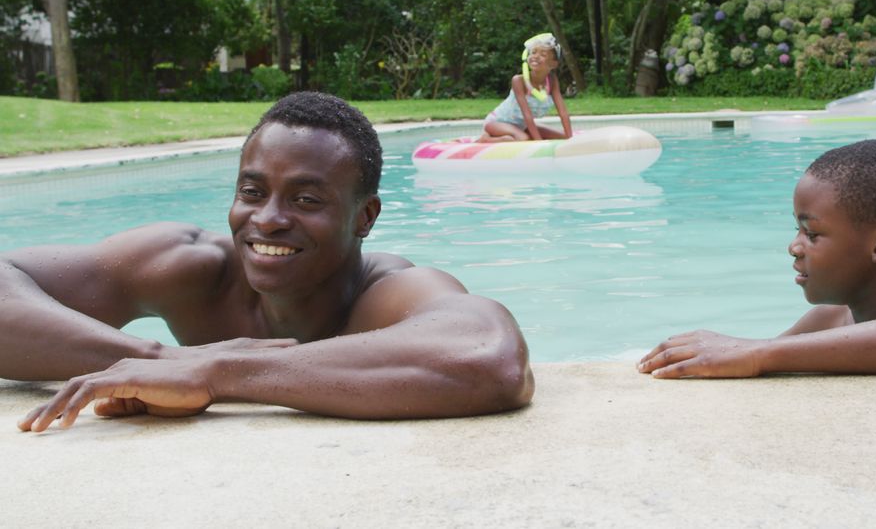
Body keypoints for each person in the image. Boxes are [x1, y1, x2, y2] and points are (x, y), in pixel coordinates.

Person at [4, 91, 534, 432]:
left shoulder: (388, 292)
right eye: (253, 191)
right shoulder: (191, 266)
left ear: (363, 218)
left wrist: (217, 372)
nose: (268, 219)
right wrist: (154, 358)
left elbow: (491, 359)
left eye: (307, 200)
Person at [638, 139, 876, 378]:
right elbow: (746, 358)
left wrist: (760, 354)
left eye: (812, 234)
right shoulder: (829, 318)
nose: (794, 247)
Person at [477, 32, 572, 143]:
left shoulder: (552, 80)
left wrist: (570, 138)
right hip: (497, 123)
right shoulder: (518, 81)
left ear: (554, 63)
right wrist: (538, 141)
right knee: (524, 139)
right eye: (533, 52)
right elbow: (527, 115)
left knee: (563, 136)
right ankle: (486, 139)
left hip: (521, 126)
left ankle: (517, 135)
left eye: (543, 54)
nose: (535, 56)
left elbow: (563, 112)